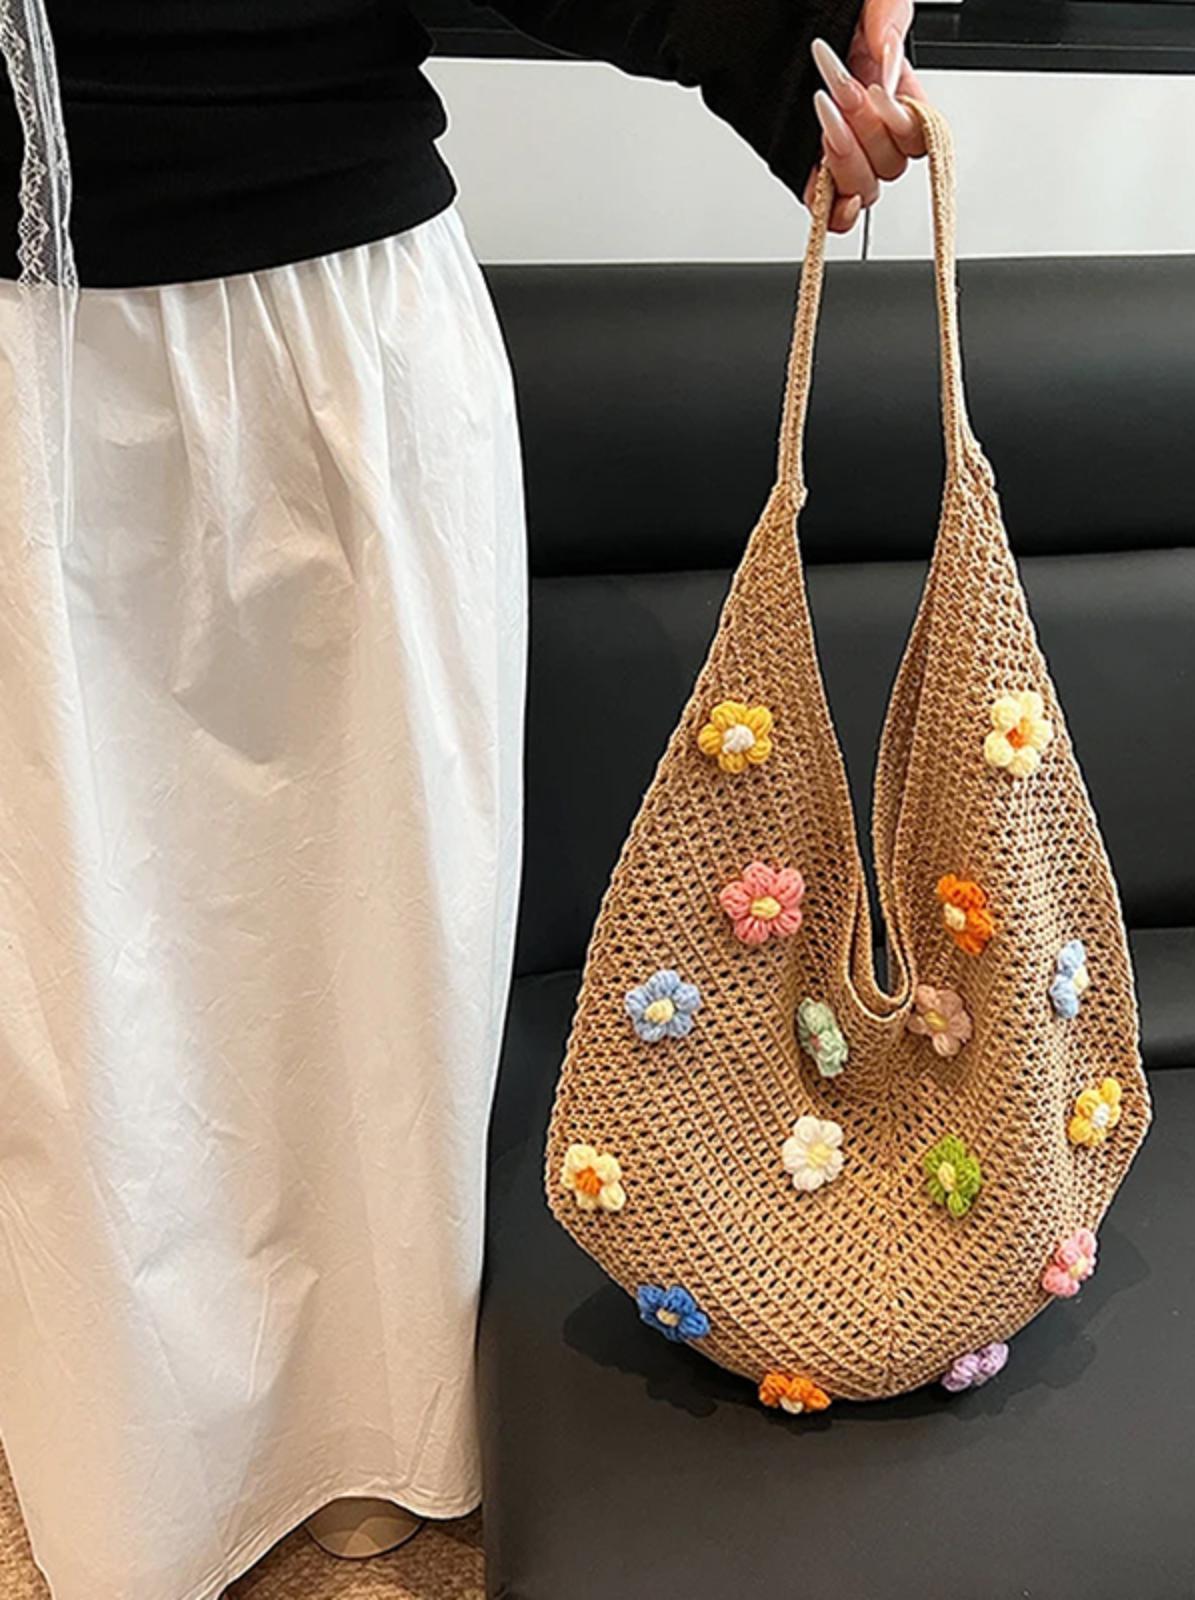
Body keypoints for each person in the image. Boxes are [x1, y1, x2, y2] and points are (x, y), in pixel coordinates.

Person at [0, 4, 925, 1597]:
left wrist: (792, 48)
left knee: (389, 936)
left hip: (345, 341)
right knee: (78, 989)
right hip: (43, 368)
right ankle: (145, 1480)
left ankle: (373, 1429)